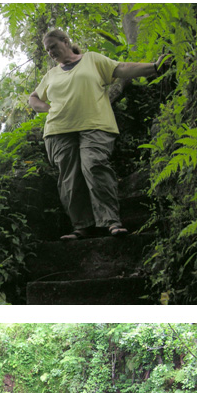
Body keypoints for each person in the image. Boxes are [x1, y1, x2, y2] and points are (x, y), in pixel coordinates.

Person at [28, 29, 166, 240]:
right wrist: (48, 109)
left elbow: (121, 68)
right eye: (47, 50)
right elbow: (33, 97)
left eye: (53, 46)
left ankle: (111, 221)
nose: (50, 52)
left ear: (65, 41)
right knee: (70, 177)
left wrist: (154, 67)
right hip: (58, 130)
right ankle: (81, 227)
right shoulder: (52, 75)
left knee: (94, 164)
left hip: (95, 124)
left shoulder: (91, 60)